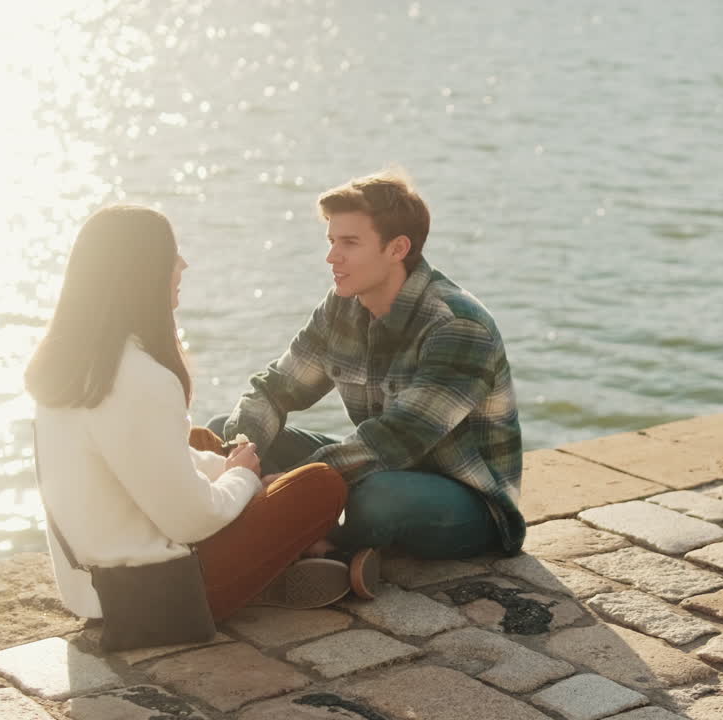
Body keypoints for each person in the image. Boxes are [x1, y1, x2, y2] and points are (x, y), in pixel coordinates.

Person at [26, 205, 351, 625]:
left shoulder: (73, 365)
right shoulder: (139, 378)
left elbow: (152, 460)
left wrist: (235, 475)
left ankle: (286, 566)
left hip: (92, 588)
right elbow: (192, 520)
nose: (183, 264)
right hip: (155, 596)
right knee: (320, 484)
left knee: (201, 441)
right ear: (141, 272)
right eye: (171, 255)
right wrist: (245, 478)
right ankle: (310, 558)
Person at [210, 168, 525, 597]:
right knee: (222, 428)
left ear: (397, 248)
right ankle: (317, 548)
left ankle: (301, 544)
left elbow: (398, 439)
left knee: (376, 498)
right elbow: (276, 387)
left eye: (349, 243)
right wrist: (241, 451)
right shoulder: (342, 307)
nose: (331, 258)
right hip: (376, 463)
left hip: (465, 499)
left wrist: (292, 483)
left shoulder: (457, 326)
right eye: (331, 241)